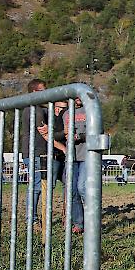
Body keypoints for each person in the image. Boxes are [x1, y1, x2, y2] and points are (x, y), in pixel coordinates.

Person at [20, 79, 66, 227]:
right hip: (36, 153)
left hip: (39, 152)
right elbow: (45, 132)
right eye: (43, 90)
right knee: (37, 185)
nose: (46, 93)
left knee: (42, 185)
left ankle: (34, 218)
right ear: (34, 92)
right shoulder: (34, 110)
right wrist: (63, 146)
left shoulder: (41, 109)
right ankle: (31, 219)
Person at [63, 97, 87, 234]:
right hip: (71, 157)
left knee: (82, 187)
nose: (78, 99)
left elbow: (96, 132)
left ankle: (92, 220)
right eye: (75, 96)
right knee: (72, 191)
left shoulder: (90, 111)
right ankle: (79, 223)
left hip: (86, 156)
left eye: (80, 96)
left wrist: (78, 137)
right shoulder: (66, 114)